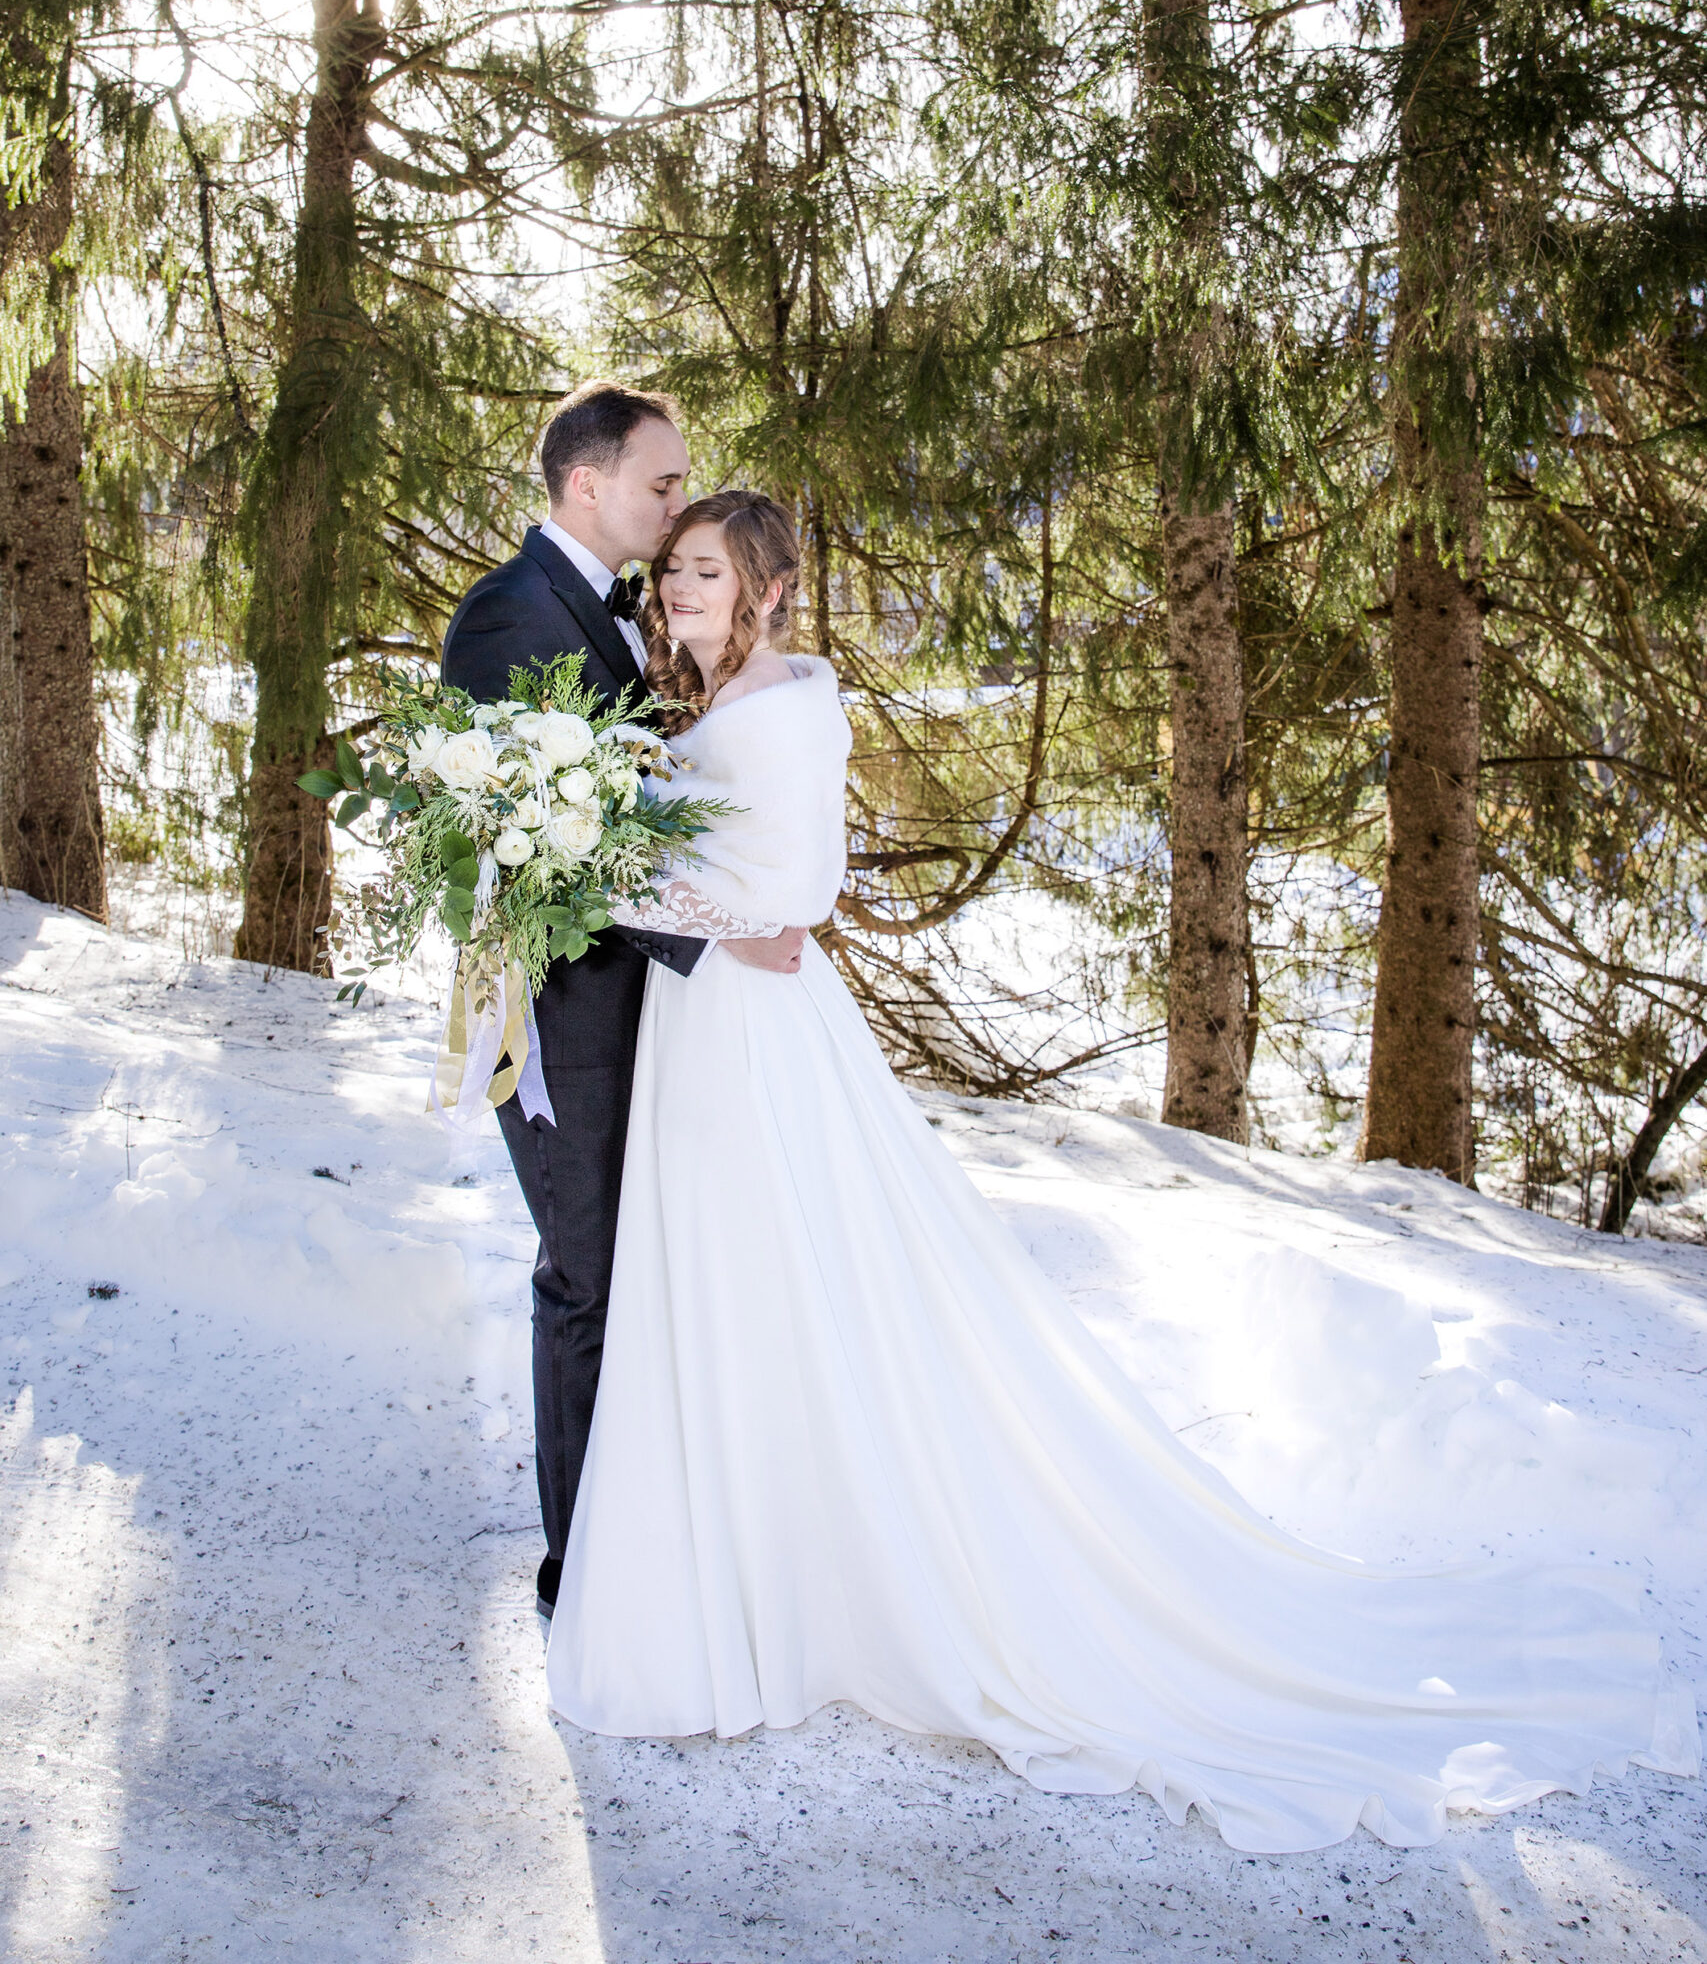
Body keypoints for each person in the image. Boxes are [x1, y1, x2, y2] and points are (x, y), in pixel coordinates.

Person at [542, 486, 1698, 1854]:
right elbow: (722, 880)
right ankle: (738, 1595)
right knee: (727, 1299)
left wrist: (598, 868)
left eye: (708, 574)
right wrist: (626, 859)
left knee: (771, 1286)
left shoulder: (786, 701)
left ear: (769, 590)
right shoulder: (707, 698)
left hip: (752, 1040)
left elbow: (792, 891)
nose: (680, 592)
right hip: (709, 1025)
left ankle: (796, 1598)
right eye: (672, 571)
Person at [439, 388, 801, 1621]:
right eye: (661, 480)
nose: (674, 497)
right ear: (586, 484)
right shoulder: (505, 614)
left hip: (646, 1011)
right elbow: (548, 847)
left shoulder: (627, 621)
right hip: (560, 1020)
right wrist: (719, 937)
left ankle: (650, 1533)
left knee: (652, 1271)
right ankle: (579, 1565)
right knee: (586, 1275)